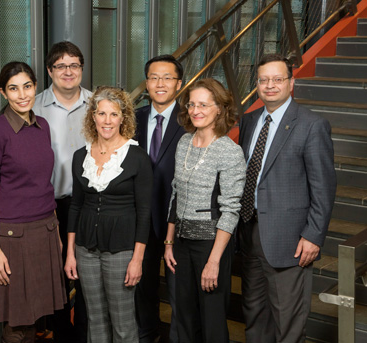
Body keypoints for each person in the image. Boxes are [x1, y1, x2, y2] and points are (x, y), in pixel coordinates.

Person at [238, 54, 336, 342]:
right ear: (257, 84)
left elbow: (324, 187)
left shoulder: (311, 124)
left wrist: (314, 235)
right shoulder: (249, 121)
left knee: (288, 324)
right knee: (254, 315)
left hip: (290, 240)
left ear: (291, 82)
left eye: (277, 79)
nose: (270, 85)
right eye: (264, 80)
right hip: (249, 231)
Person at [0, 61, 66, 343]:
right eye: (13, 88)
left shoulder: (43, 126)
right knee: (19, 324)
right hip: (12, 237)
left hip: (46, 230)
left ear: (36, 87)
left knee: (39, 316)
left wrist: (56, 231)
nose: (22, 94)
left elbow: (45, 183)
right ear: (3, 93)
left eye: (27, 86)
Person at [64, 86, 153, 343]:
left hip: (122, 250)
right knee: (95, 319)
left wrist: (137, 260)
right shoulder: (81, 156)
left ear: (123, 118)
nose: (107, 120)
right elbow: (76, 206)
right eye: (101, 114)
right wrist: (71, 253)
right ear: (93, 116)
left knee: (123, 322)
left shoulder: (137, 158)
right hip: (85, 249)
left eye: (113, 114)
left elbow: (144, 212)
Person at [164, 78, 246, 342]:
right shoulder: (184, 143)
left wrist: (214, 261)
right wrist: (168, 242)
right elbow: (175, 196)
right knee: (183, 318)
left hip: (211, 246)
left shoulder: (229, 151)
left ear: (219, 108)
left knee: (212, 322)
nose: (195, 110)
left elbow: (231, 210)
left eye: (203, 105)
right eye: (191, 104)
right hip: (180, 244)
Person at [33, 41, 90, 343]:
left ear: (82, 68)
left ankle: (82, 335)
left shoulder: (98, 106)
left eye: (74, 65)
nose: (68, 72)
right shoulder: (32, 106)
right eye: (61, 66)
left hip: (88, 205)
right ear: (49, 70)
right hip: (46, 207)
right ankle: (62, 335)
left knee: (86, 277)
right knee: (53, 279)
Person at [134, 54, 185, 343]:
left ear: (179, 83)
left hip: (176, 221)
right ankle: (147, 335)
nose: (160, 83)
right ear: (146, 83)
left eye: (167, 77)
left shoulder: (191, 118)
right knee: (143, 287)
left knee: (179, 291)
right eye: (154, 77)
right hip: (141, 219)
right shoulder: (134, 119)